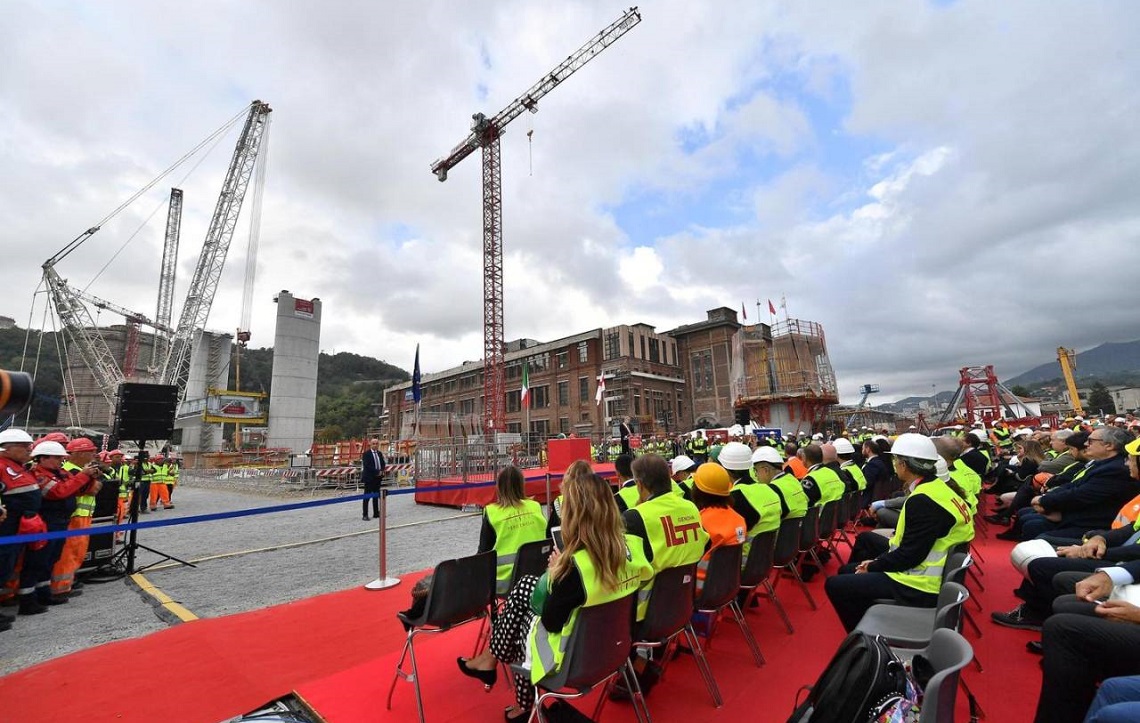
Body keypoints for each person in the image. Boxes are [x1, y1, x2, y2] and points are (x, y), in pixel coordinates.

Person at [456, 461, 653, 721]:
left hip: (573, 660)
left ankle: (503, 675)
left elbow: (550, 621)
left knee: (520, 617)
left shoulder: (576, 569)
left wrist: (554, 573)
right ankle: (492, 664)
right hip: (615, 646)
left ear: (574, 515)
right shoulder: (635, 550)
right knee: (526, 584)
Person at [823, 433, 974, 632]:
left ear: (903, 464)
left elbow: (910, 556)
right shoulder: (939, 489)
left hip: (921, 583)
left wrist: (874, 566)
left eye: (895, 460)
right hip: (930, 573)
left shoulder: (923, 500)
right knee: (852, 567)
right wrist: (876, 563)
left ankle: (865, 639)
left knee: (835, 584)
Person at [1003, 427, 1138, 541]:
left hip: (1094, 523)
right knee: (1027, 516)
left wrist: (1046, 502)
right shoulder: (1101, 463)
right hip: (1081, 513)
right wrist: (1047, 499)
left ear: (1109, 445)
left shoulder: (1115, 469)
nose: (1086, 444)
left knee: (1033, 526)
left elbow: (1081, 495)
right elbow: (1074, 485)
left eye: (1091, 441)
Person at [622, 453, 708, 619]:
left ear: (639, 485)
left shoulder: (635, 516)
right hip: (685, 602)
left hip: (647, 612)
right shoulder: (690, 507)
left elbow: (626, 568)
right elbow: (704, 544)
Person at [24, 441, 98, 611]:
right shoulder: (38, 474)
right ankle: (28, 600)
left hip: (60, 521)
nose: (60, 461)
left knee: (51, 559)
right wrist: (84, 475)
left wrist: (90, 477)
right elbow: (58, 492)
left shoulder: (59, 473)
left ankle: (43, 594)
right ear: (42, 458)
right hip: (46, 521)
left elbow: (77, 489)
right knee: (37, 561)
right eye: (57, 458)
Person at [479, 466, 547, 596]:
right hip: (537, 579)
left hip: (505, 584)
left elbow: (483, 552)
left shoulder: (492, 513)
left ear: (499, 486)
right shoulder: (535, 507)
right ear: (521, 485)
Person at [50, 438, 104, 597]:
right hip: (74, 517)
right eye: (91, 452)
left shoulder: (76, 470)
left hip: (82, 517)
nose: (94, 455)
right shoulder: (71, 471)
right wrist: (92, 479)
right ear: (79, 453)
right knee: (68, 553)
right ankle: (60, 587)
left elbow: (95, 487)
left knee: (76, 552)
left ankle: (68, 582)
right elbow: (93, 489)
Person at [690, 463, 746, 593]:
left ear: (698, 492)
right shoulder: (739, 519)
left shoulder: (699, 522)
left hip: (699, 589)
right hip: (730, 584)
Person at [360, 438, 387, 520]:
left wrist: (382, 471)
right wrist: (377, 472)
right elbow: (368, 466)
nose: (375, 445)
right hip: (369, 478)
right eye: (373, 443)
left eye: (376, 443)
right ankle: (365, 514)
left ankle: (376, 513)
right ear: (370, 444)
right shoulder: (366, 454)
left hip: (378, 478)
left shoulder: (379, 453)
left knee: (376, 496)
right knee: (367, 497)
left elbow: (383, 463)